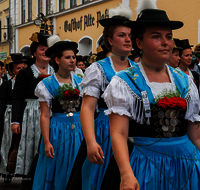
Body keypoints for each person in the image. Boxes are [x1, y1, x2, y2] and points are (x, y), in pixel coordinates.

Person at [102, 1, 200, 190]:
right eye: (156, 36)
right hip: (146, 164)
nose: (166, 43)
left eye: (169, 37)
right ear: (139, 42)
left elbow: (195, 133)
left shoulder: (185, 80)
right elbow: (119, 133)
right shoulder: (124, 81)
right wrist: (126, 173)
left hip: (186, 163)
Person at [66, 4, 135, 190]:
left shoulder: (139, 69)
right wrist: (90, 141)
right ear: (109, 40)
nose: (128, 39)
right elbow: (87, 108)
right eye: (122, 35)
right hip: (106, 131)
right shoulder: (98, 69)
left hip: (135, 131)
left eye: (130, 35)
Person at [32, 35, 83, 190]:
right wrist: (47, 142)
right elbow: (45, 115)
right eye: (67, 57)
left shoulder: (81, 81)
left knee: (79, 166)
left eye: (73, 57)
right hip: (58, 131)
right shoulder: (46, 84)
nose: (72, 60)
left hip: (80, 130)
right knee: (59, 166)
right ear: (57, 60)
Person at [9, 32, 54, 177]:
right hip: (32, 114)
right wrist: (15, 120)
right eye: (42, 49)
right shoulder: (25, 73)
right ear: (34, 53)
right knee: (34, 146)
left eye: (48, 48)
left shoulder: (58, 72)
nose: (45, 51)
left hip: (53, 114)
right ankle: (33, 177)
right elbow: (17, 98)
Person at [0, 53, 25, 183]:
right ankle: (6, 170)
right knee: (8, 142)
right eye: (18, 68)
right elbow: (2, 103)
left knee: (21, 143)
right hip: (9, 116)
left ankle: (20, 169)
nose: (20, 71)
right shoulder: (6, 85)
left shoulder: (27, 84)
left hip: (23, 115)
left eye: (22, 68)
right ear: (11, 70)